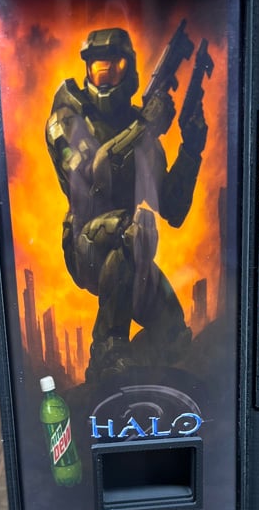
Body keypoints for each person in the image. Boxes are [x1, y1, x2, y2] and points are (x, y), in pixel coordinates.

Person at [45, 25, 207, 380]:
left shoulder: (140, 127)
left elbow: (173, 208)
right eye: (97, 68)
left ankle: (128, 370)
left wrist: (191, 150)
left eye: (113, 67)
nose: (105, 76)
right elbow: (92, 178)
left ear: (129, 69)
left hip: (132, 247)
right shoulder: (68, 117)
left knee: (174, 337)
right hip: (85, 243)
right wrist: (145, 129)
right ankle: (108, 348)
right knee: (129, 230)